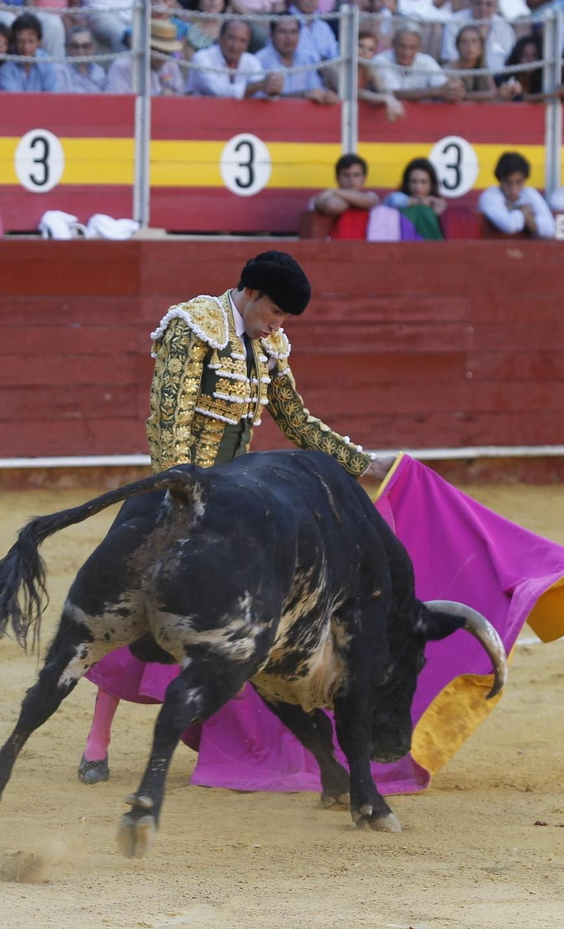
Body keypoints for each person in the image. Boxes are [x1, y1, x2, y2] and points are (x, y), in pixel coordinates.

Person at [75, 251, 390, 785]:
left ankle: (235, 745)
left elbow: (297, 421)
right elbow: (166, 422)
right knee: (132, 618)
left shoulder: (269, 344)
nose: (279, 325)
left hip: (237, 502)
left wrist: (362, 464)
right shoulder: (192, 326)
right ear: (252, 294)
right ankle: (96, 741)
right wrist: (182, 500)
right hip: (179, 495)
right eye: (276, 313)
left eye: (286, 319)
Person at [255, 14, 337, 103]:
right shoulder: (259, 60)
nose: (288, 38)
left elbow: (315, 90)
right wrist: (303, 95)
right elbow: (259, 100)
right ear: (272, 35)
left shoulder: (307, 59)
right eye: (283, 32)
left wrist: (326, 96)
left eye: (293, 32)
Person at [188, 18, 278, 97]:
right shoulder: (201, 58)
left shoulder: (251, 61)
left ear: (248, 44)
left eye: (242, 41)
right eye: (231, 38)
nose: (235, 46)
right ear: (220, 37)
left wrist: (271, 88)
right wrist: (260, 86)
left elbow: (260, 93)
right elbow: (217, 91)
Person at [374, 25, 460, 101]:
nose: (406, 53)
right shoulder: (381, 60)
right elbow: (391, 93)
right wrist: (436, 91)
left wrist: (452, 90)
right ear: (393, 44)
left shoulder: (427, 61)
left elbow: (443, 87)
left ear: (420, 48)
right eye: (402, 46)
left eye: (412, 47)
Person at [478, 152, 553, 237]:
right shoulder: (490, 196)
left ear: (525, 180)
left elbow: (550, 229)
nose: (513, 188)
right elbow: (510, 226)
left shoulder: (529, 193)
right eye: (508, 182)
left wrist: (523, 217)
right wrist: (523, 212)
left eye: (518, 182)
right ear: (500, 180)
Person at [308, 152, 379, 238]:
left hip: (365, 249)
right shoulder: (327, 197)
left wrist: (335, 191)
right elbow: (333, 206)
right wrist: (357, 201)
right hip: (334, 249)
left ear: (364, 178)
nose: (351, 180)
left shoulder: (331, 193)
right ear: (337, 177)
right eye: (346, 175)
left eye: (356, 175)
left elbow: (370, 201)